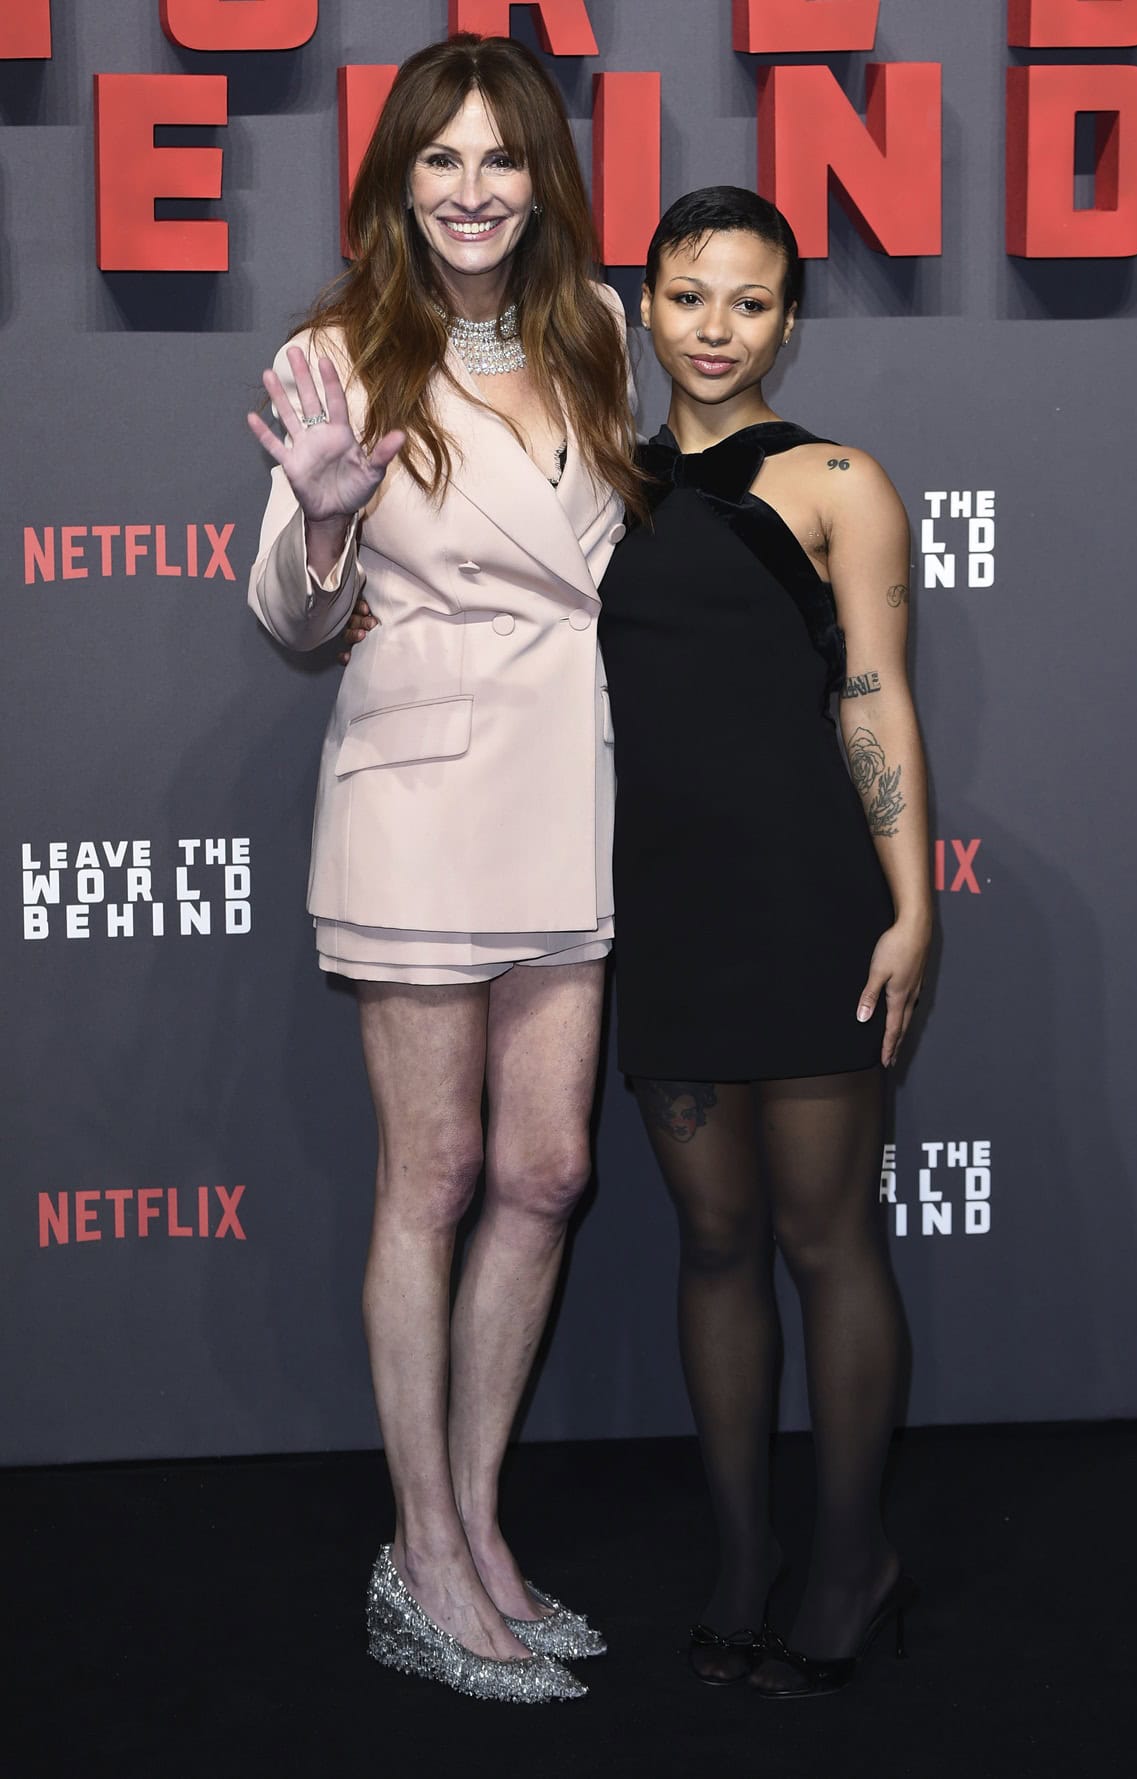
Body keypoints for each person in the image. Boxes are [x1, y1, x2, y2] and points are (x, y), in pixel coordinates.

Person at [245, 32, 640, 1704]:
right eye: (440, 160)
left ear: (542, 176)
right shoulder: (339, 353)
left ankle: (479, 1531)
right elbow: (287, 620)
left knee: (547, 1172)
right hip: (417, 799)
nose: (472, 191)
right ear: (396, 182)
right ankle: (416, 1556)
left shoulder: (601, 330)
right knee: (438, 1171)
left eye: (501, 159)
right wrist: (328, 520)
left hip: (567, 789)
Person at [595, 186, 930, 1698]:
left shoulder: (841, 480)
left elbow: (871, 695)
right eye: (688, 296)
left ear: (789, 318)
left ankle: (850, 1550)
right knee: (715, 1243)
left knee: (822, 1238)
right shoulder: (598, 479)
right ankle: (742, 1553)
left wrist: (912, 900)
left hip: (806, 908)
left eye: (748, 301)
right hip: (659, 910)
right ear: (645, 307)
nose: (716, 328)